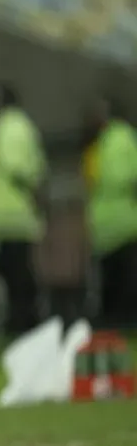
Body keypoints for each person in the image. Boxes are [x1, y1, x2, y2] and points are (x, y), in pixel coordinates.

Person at [0, 83, 46, 337]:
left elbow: (15, 167)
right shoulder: (21, 126)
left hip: (10, 214)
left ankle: (25, 324)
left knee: (15, 274)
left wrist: (33, 193)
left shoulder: (9, 127)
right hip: (15, 214)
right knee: (14, 271)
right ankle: (25, 321)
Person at [85, 97, 137, 329]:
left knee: (110, 283)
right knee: (127, 283)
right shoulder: (125, 138)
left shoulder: (103, 143)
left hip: (105, 227)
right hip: (125, 224)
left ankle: (111, 329)